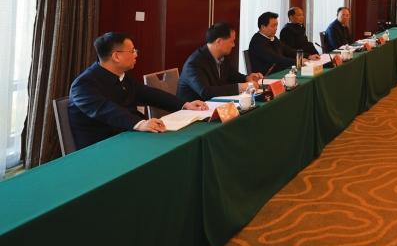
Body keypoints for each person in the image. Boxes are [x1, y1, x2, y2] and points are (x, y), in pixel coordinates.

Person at [68, 32, 207, 150]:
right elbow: (106, 110)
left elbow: (149, 94)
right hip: (103, 146)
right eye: (132, 51)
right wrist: (140, 124)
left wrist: (184, 104)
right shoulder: (83, 85)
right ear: (116, 56)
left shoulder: (122, 76)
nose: (136, 55)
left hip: (129, 135)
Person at [178, 22, 264, 101]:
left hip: (214, 105)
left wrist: (246, 78)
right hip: (193, 110)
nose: (233, 45)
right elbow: (205, 92)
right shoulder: (194, 63)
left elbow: (232, 75)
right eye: (231, 41)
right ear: (219, 41)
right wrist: (241, 87)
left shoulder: (222, 57)